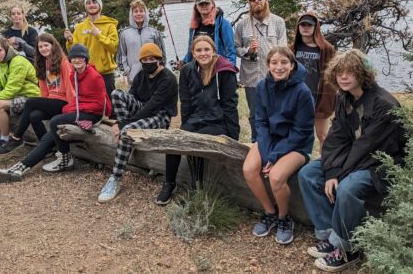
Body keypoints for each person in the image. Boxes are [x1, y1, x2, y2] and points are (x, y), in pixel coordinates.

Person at [298, 50, 406, 272]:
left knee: (347, 188)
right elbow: (336, 137)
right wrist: (331, 172)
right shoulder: (344, 98)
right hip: (355, 157)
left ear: (363, 74)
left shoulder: (384, 105)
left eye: (350, 72)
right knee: (308, 174)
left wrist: (338, 174)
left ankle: (348, 248)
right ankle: (331, 234)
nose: (343, 77)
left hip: (383, 163)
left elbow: (368, 147)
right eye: (339, 73)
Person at [0, 44, 111, 183]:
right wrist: (73, 107)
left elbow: (101, 104)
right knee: (48, 137)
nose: (77, 61)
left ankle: (65, 157)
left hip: (93, 114)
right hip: (79, 109)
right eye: (74, 58)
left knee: (56, 121)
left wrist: (74, 109)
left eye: (80, 58)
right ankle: (18, 169)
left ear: (86, 59)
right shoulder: (74, 74)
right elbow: (77, 97)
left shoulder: (95, 76)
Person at [242, 46, 314, 245]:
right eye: (274, 62)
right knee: (249, 169)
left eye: (284, 63)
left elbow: (301, 131)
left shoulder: (303, 92)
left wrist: (274, 156)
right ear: (268, 65)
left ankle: (284, 218)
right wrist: (267, 152)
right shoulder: (262, 86)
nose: (279, 67)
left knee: (275, 176)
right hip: (270, 138)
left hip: (297, 144)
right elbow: (261, 122)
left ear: (292, 65)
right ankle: (270, 212)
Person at [156, 36, 239, 205]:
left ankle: (196, 189)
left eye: (206, 49)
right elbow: (185, 102)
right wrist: (185, 127)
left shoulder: (225, 71)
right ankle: (169, 183)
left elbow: (230, 104)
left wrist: (233, 135)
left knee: (195, 141)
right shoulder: (187, 70)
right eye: (199, 50)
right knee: (176, 140)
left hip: (218, 122)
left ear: (214, 51)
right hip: (196, 118)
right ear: (193, 53)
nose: (203, 53)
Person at [98, 43, 178, 203]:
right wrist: (123, 121)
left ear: (159, 59)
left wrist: (122, 125)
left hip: (160, 115)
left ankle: (116, 177)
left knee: (127, 130)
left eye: (152, 59)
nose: (148, 62)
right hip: (142, 111)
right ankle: (127, 139)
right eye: (145, 59)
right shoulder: (142, 74)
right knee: (117, 93)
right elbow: (132, 95)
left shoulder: (168, 78)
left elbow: (152, 107)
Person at [0, 33, 76, 155]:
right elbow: (43, 90)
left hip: (65, 102)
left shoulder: (63, 62)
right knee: (34, 115)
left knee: (31, 101)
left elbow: (70, 87)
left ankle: (16, 137)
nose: (43, 49)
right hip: (51, 101)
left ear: (53, 45)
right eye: (40, 47)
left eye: (46, 45)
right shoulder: (42, 63)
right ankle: (48, 147)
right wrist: (43, 104)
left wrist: (72, 108)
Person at [234, 0, 287, 142]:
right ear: (249, 3)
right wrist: (248, 50)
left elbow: (283, 49)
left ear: (265, 0)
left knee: (275, 112)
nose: (256, 1)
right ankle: (256, 142)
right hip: (251, 78)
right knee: (254, 113)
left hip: (273, 77)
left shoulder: (278, 22)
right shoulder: (242, 25)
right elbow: (236, 48)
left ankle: (276, 141)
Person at [0, 37, 40, 154]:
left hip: (30, 97)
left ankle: (6, 139)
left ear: (6, 48)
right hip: (15, 96)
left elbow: (11, 89)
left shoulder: (18, 61)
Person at [291, 12, 336, 145]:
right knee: (300, 133)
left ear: (315, 27)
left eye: (309, 25)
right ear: (298, 27)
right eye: (303, 24)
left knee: (322, 135)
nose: (305, 28)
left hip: (319, 97)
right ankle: (300, 162)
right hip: (299, 97)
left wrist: (331, 96)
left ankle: (325, 163)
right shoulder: (293, 48)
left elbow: (333, 74)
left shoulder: (326, 48)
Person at [64, 0, 119, 99]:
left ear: (100, 5)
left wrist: (98, 35)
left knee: (110, 109)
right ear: (86, 7)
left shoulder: (109, 25)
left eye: (94, 2)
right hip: (86, 73)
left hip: (105, 73)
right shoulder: (80, 27)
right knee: (90, 106)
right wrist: (70, 41)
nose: (91, 5)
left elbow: (113, 48)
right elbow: (74, 52)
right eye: (88, 3)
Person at [116, 0, 166, 85]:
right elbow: (122, 55)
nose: (139, 14)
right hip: (133, 78)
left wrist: (159, 69)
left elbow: (161, 54)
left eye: (141, 11)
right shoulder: (124, 34)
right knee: (134, 98)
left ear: (145, 12)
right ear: (131, 14)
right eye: (135, 11)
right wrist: (127, 71)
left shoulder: (154, 32)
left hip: (153, 76)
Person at [181, 0, 236, 66]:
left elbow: (231, 50)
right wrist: (184, 63)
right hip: (197, 70)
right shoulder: (193, 26)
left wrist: (230, 69)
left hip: (218, 68)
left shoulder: (223, 24)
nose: (204, 6)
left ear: (212, 4)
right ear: (196, 7)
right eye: (201, 4)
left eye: (206, 3)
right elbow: (191, 50)